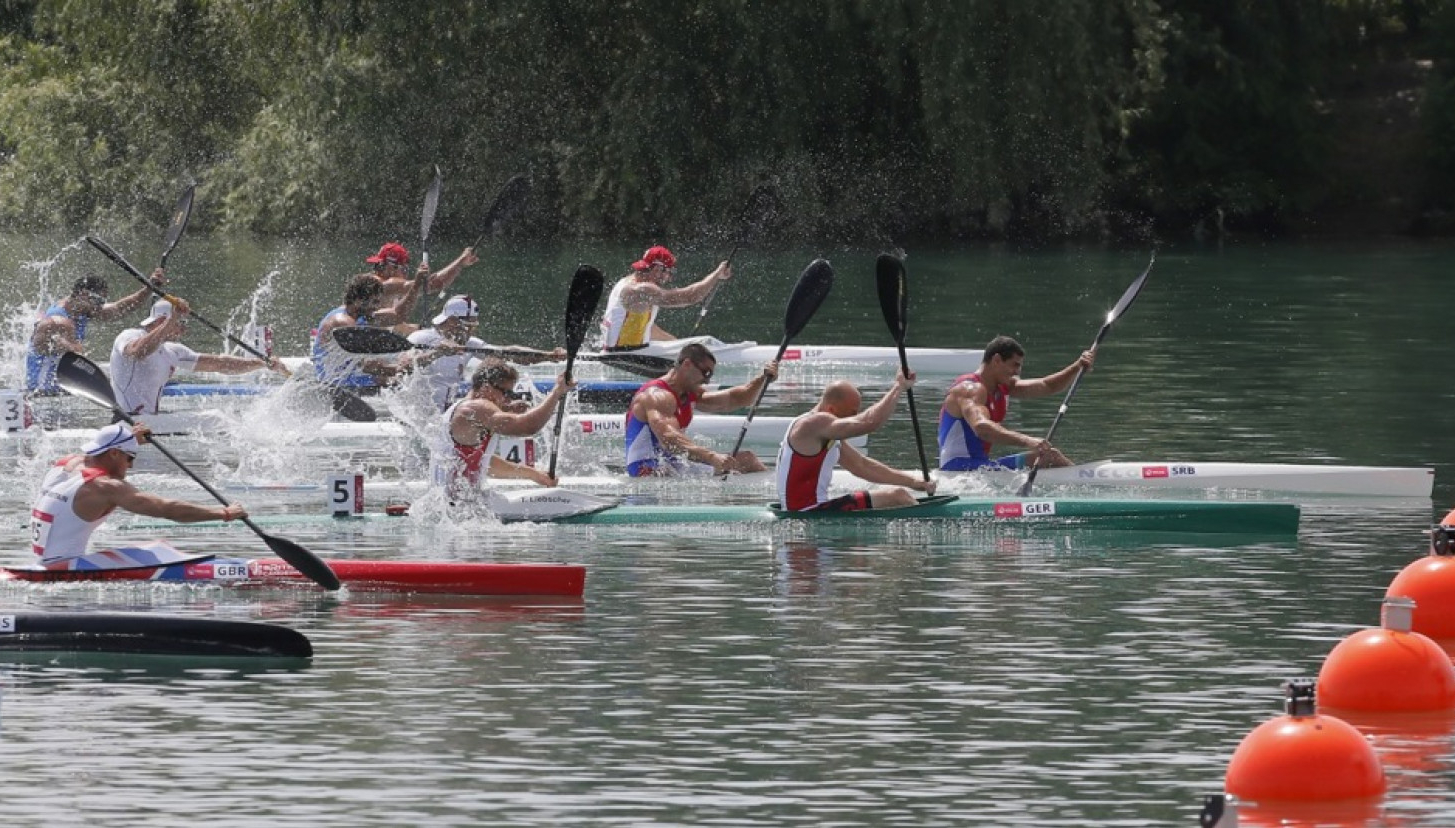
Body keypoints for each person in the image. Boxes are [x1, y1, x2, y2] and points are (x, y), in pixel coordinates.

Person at [28, 422, 247, 567]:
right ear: (114, 453)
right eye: (130, 458)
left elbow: (100, 452)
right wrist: (224, 513)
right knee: (161, 555)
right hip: (64, 568)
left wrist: (129, 440)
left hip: (42, 562)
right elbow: (166, 509)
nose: (130, 467)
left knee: (155, 548)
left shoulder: (66, 463)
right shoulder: (105, 487)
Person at [776, 372, 936, 511]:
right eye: (852, 413)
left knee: (898, 495)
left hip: (816, 509)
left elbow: (862, 466)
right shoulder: (813, 424)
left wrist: (914, 482)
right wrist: (899, 387)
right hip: (806, 513)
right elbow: (869, 422)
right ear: (831, 410)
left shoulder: (825, 433)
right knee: (896, 496)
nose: (854, 416)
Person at [937, 335, 1096, 471]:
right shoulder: (970, 389)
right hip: (958, 469)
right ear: (997, 360)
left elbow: (1047, 386)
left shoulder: (1003, 387)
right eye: (1015, 365)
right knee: (1049, 456)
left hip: (980, 466)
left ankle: (1083, 479)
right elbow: (981, 428)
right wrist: (1028, 441)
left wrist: (1077, 367)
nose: (1018, 371)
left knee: (1048, 455)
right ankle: (1089, 485)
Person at [109, 298, 289, 416]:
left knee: (218, 417)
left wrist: (262, 363)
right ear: (161, 321)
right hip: (126, 420)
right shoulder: (129, 336)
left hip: (150, 423)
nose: (183, 329)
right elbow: (139, 352)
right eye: (180, 323)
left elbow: (219, 364)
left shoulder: (173, 351)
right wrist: (171, 321)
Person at [624, 343, 776, 476]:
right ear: (687, 364)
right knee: (742, 464)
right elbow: (669, 439)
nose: (708, 380)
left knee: (747, 460)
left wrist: (762, 379)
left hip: (672, 464)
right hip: (647, 470)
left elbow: (736, 399)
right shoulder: (657, 396)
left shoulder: (691, 393)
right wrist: (711, 457)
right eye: (706, 372)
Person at [435, 360, 575, 496]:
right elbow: (528, 427)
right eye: (506, 393)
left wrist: (533, 474)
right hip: (456, 506)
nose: (508, 399)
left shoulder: (464, 407)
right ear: (486, 387)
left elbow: (485, 462)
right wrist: (556, 392)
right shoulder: (474, 409)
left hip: (457, 504)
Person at [405, 295, 566, 412]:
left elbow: (507, 353)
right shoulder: (421, 338)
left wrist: (548, 355)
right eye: (468, 325)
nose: (471, 330)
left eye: (473, 325)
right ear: (452, 321)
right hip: (416, 418)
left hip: (442, 416)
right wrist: (436, 353)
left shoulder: (468, 343)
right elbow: (402, 366)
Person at [26, 273, 161, 393]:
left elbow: (119, 309)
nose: (100, 306)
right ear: (83, 294)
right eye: (99, 301)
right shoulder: (58, 322)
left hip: (64, 389)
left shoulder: (82, 309)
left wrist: (149, 289)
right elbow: (77, 355)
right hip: (43, 392)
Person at [600, 245, 731, 348]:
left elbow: (649, 329)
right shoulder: (641, 290)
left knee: (692, 346)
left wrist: (678, 344)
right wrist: (716, 275)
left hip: (626, 350)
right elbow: (690, 297)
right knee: (706, 342)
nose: (668, 278)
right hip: (625, 354)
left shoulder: (627, 283)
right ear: (658, 269)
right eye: (669, 272)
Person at [311, 272, 421, 388]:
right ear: (358, 300)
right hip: (336, 383)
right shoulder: (342, 321)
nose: (377, 307)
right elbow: (365, 364)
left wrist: (417, 285)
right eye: (374, 302)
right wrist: (398, 368)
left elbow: (398, 315)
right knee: (394, 381)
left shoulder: (361, 315)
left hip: (352, 378)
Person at [362, 241, 478, 317]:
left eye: (378, 265)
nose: (376, 270)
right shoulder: (383, 284)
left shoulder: (381, 289)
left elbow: (399, 327)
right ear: (392, 267)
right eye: (378, 266)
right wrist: (460, 261)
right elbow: (432, 285)